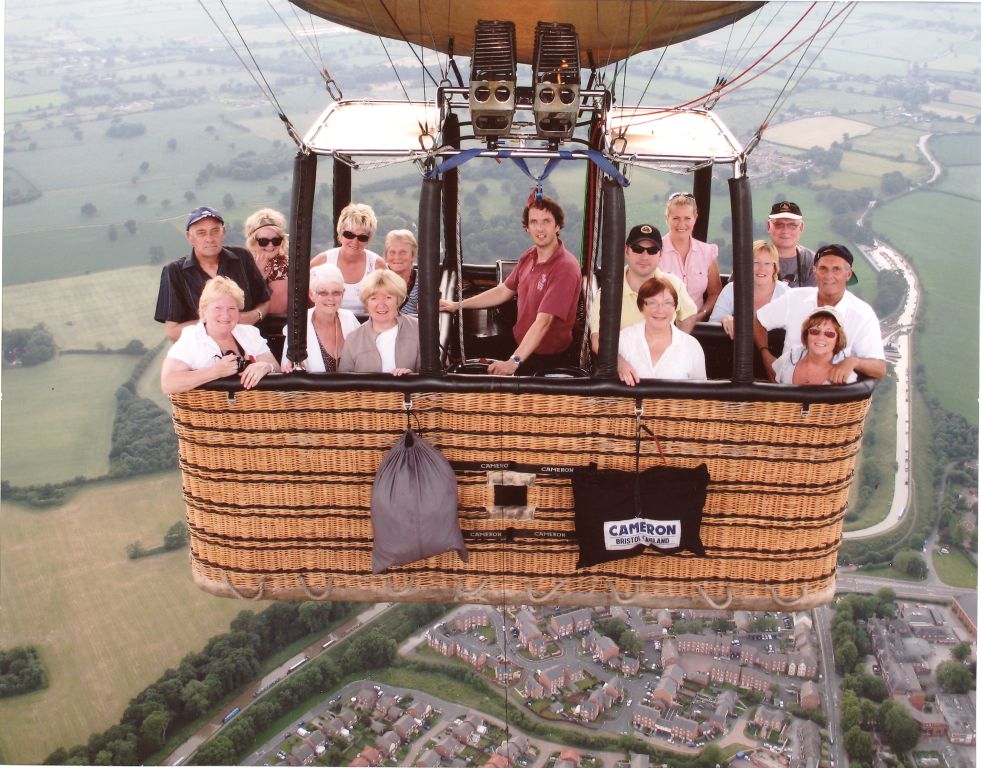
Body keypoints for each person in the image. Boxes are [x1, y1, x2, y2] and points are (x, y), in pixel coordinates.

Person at [438, 195, 581, 376]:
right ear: (527, 228)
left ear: (557, 226)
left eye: (546, 221)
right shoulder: (530, 256)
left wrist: (514, 361)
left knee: (489, 381)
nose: (540, 228)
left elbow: (543, 322)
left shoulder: (565, 268)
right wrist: (458, 305)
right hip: (518, 342)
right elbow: (504, 290)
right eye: (534, 222)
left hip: (545, 357)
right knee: (463, 348)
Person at [756, 243, 886, 383]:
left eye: (836, 269)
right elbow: (757, 320)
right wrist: (765, 355)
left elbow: (879, 369)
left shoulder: (863, 314)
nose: (829, 275)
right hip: (787, 393)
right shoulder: (794, 298)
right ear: (815, 272)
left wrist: (853, 362)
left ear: (848, 274)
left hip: (831, 399)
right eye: (823, 269)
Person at [155, 206, 270, 342]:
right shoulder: (174, 272)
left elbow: (264, 301)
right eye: (201, 233)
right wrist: (223, 321)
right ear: (189, 237)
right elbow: (173, 332)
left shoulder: (242, 257)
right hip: (203, 353)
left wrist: (254, 316)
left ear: (224, 232)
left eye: (215, 231)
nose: (210, 239)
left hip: (249, 346)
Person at [589, 223, 697, 356]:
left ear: (661, 254)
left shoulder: (674, 284)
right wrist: (620, 364)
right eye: (637, 249)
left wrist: (675, 347)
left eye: (652, 251)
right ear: (626, 250)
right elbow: (597, 341)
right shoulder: (609, 291)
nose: (644, 256)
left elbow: (689, 315)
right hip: (625, 372)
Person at [160, 276, 279, 395]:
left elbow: (277, 368)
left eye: (232, 308)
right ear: (204, 310)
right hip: (210, 411)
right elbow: (168, 383)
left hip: (256, 410)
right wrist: (214, 372)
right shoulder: (192, 338)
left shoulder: (249, 332)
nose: (225, 315)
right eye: (218, 308)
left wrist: (266, 366)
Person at [617, 275, 706, 386]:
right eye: (652, 303)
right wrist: (617, 362)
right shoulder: (624, 340)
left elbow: (701, 395)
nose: (660, 310)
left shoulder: (692, 346)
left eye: (667, 303)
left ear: (675, 307)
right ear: (641, 307)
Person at [281, 264, 361, 373]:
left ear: (343, 294)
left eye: (336, 293)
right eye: (323, 293)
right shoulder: (297, 326)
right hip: (313, 390)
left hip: (351, 390)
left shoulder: (350, 319)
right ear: (311, 294)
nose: (330, 298)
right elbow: (286, 369)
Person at [338, 270, 419, 376]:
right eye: (374, 298)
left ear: (398, 300)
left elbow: (432, 376)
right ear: (366, 303)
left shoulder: (418, 328)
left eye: (388, 297)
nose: (381, 305)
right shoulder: (353, 339)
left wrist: (413, 377)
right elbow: (344, 384)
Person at [310, 202, 385, 313]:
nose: (355, 242)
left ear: (368, 241)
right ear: (340, 235)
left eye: (362, 237)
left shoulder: (377, 265)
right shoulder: (322, 261)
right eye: (349, 235)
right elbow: (304, 296)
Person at [659, 192, 722, 321]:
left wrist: (702, 314)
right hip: (663, 324)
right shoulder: (655, 251)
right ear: (667, 219)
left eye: (687, 218)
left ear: (695, 218)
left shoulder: (707, 252)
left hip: (697, 326)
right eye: (676, 218)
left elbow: (715, 292)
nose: (682, 224)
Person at [710, 239, 789, 338]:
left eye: (767, 263)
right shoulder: (731, 289)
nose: (761, 269)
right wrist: (724, 319)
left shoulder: (786, 294)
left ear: (775, 267)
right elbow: (712, 324)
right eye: (756, 262)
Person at [773, 306, 855, 385]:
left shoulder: (846, 375)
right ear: (806, 335)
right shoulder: (787, 360)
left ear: (838, 339)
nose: (820, 337)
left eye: (829, 333)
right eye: (815, 331)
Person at [244, 208, 289, 315]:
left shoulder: (284, 265)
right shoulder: (241, 264)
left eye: (276, 240)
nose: (270, 245)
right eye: (264, 241)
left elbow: (277, 309)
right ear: (253, 241)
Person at [767, 201, 816, 287]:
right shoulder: (752, 259)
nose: (785, 230)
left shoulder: (812, 261)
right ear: (769, 226)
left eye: (792, 225)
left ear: (801, 227)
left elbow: (815, 298)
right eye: (778, 224)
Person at [383, 229, 419, 315]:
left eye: (403, 252)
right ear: (386, 256)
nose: (397, 257)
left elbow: (438, 303)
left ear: (413, 255)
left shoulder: (423, 280)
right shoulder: (378, 280)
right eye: (392, 252)